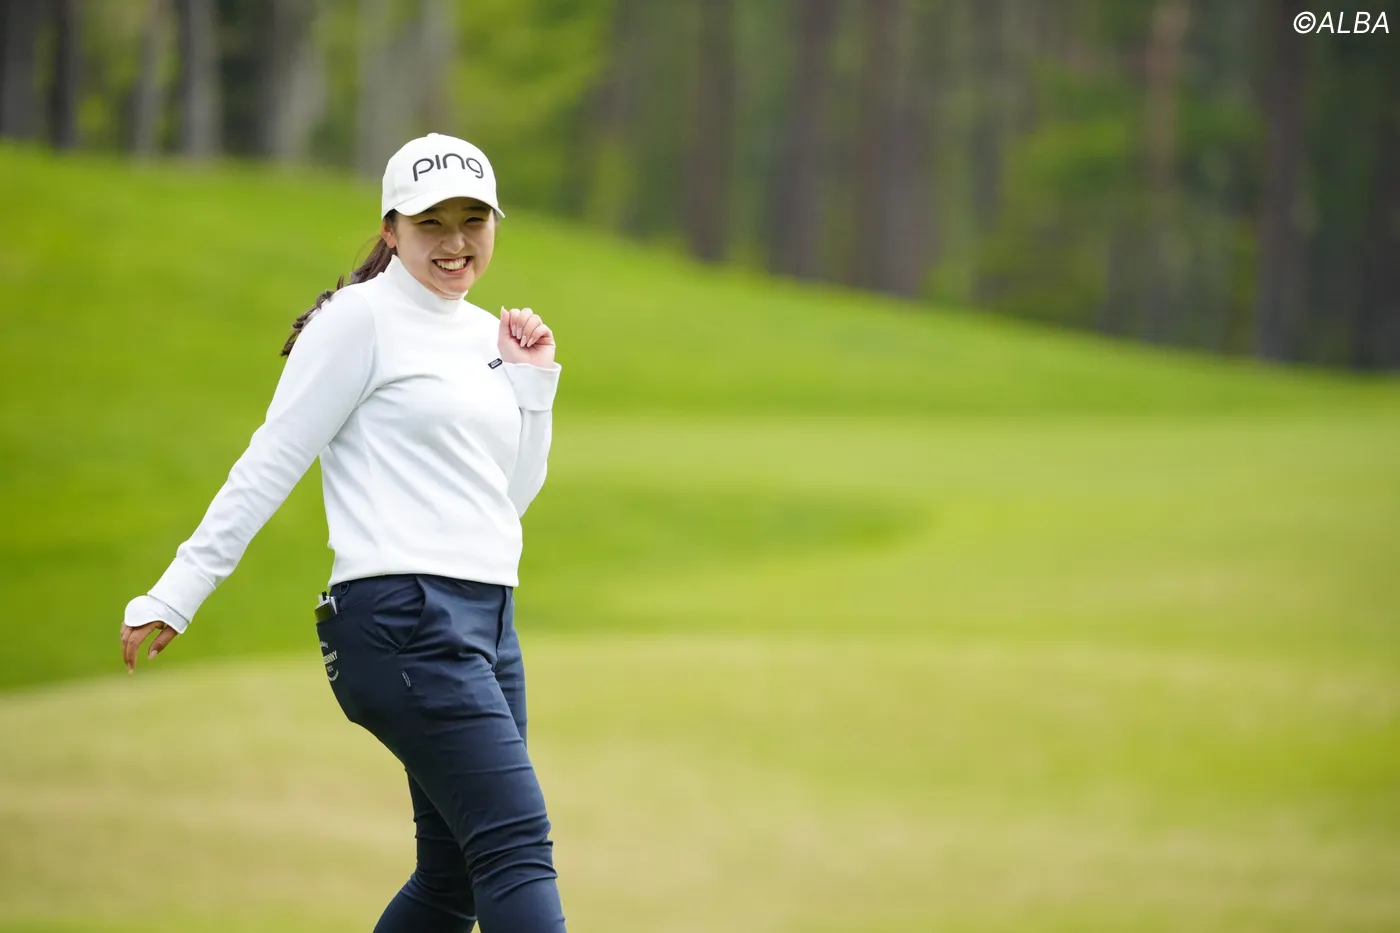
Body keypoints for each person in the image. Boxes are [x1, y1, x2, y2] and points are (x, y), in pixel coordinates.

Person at [119, 133, 569, 933]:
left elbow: (507, 501)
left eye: (473, 220)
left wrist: (532, 387)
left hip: (488, 622)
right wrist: (178, 589)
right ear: (391, 229)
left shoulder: (486, 337)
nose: (456, 242)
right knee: (514, 843)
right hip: (403, 618)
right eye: (432, 223)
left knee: (455, 879)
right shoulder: (357, 321)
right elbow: (272, 459)